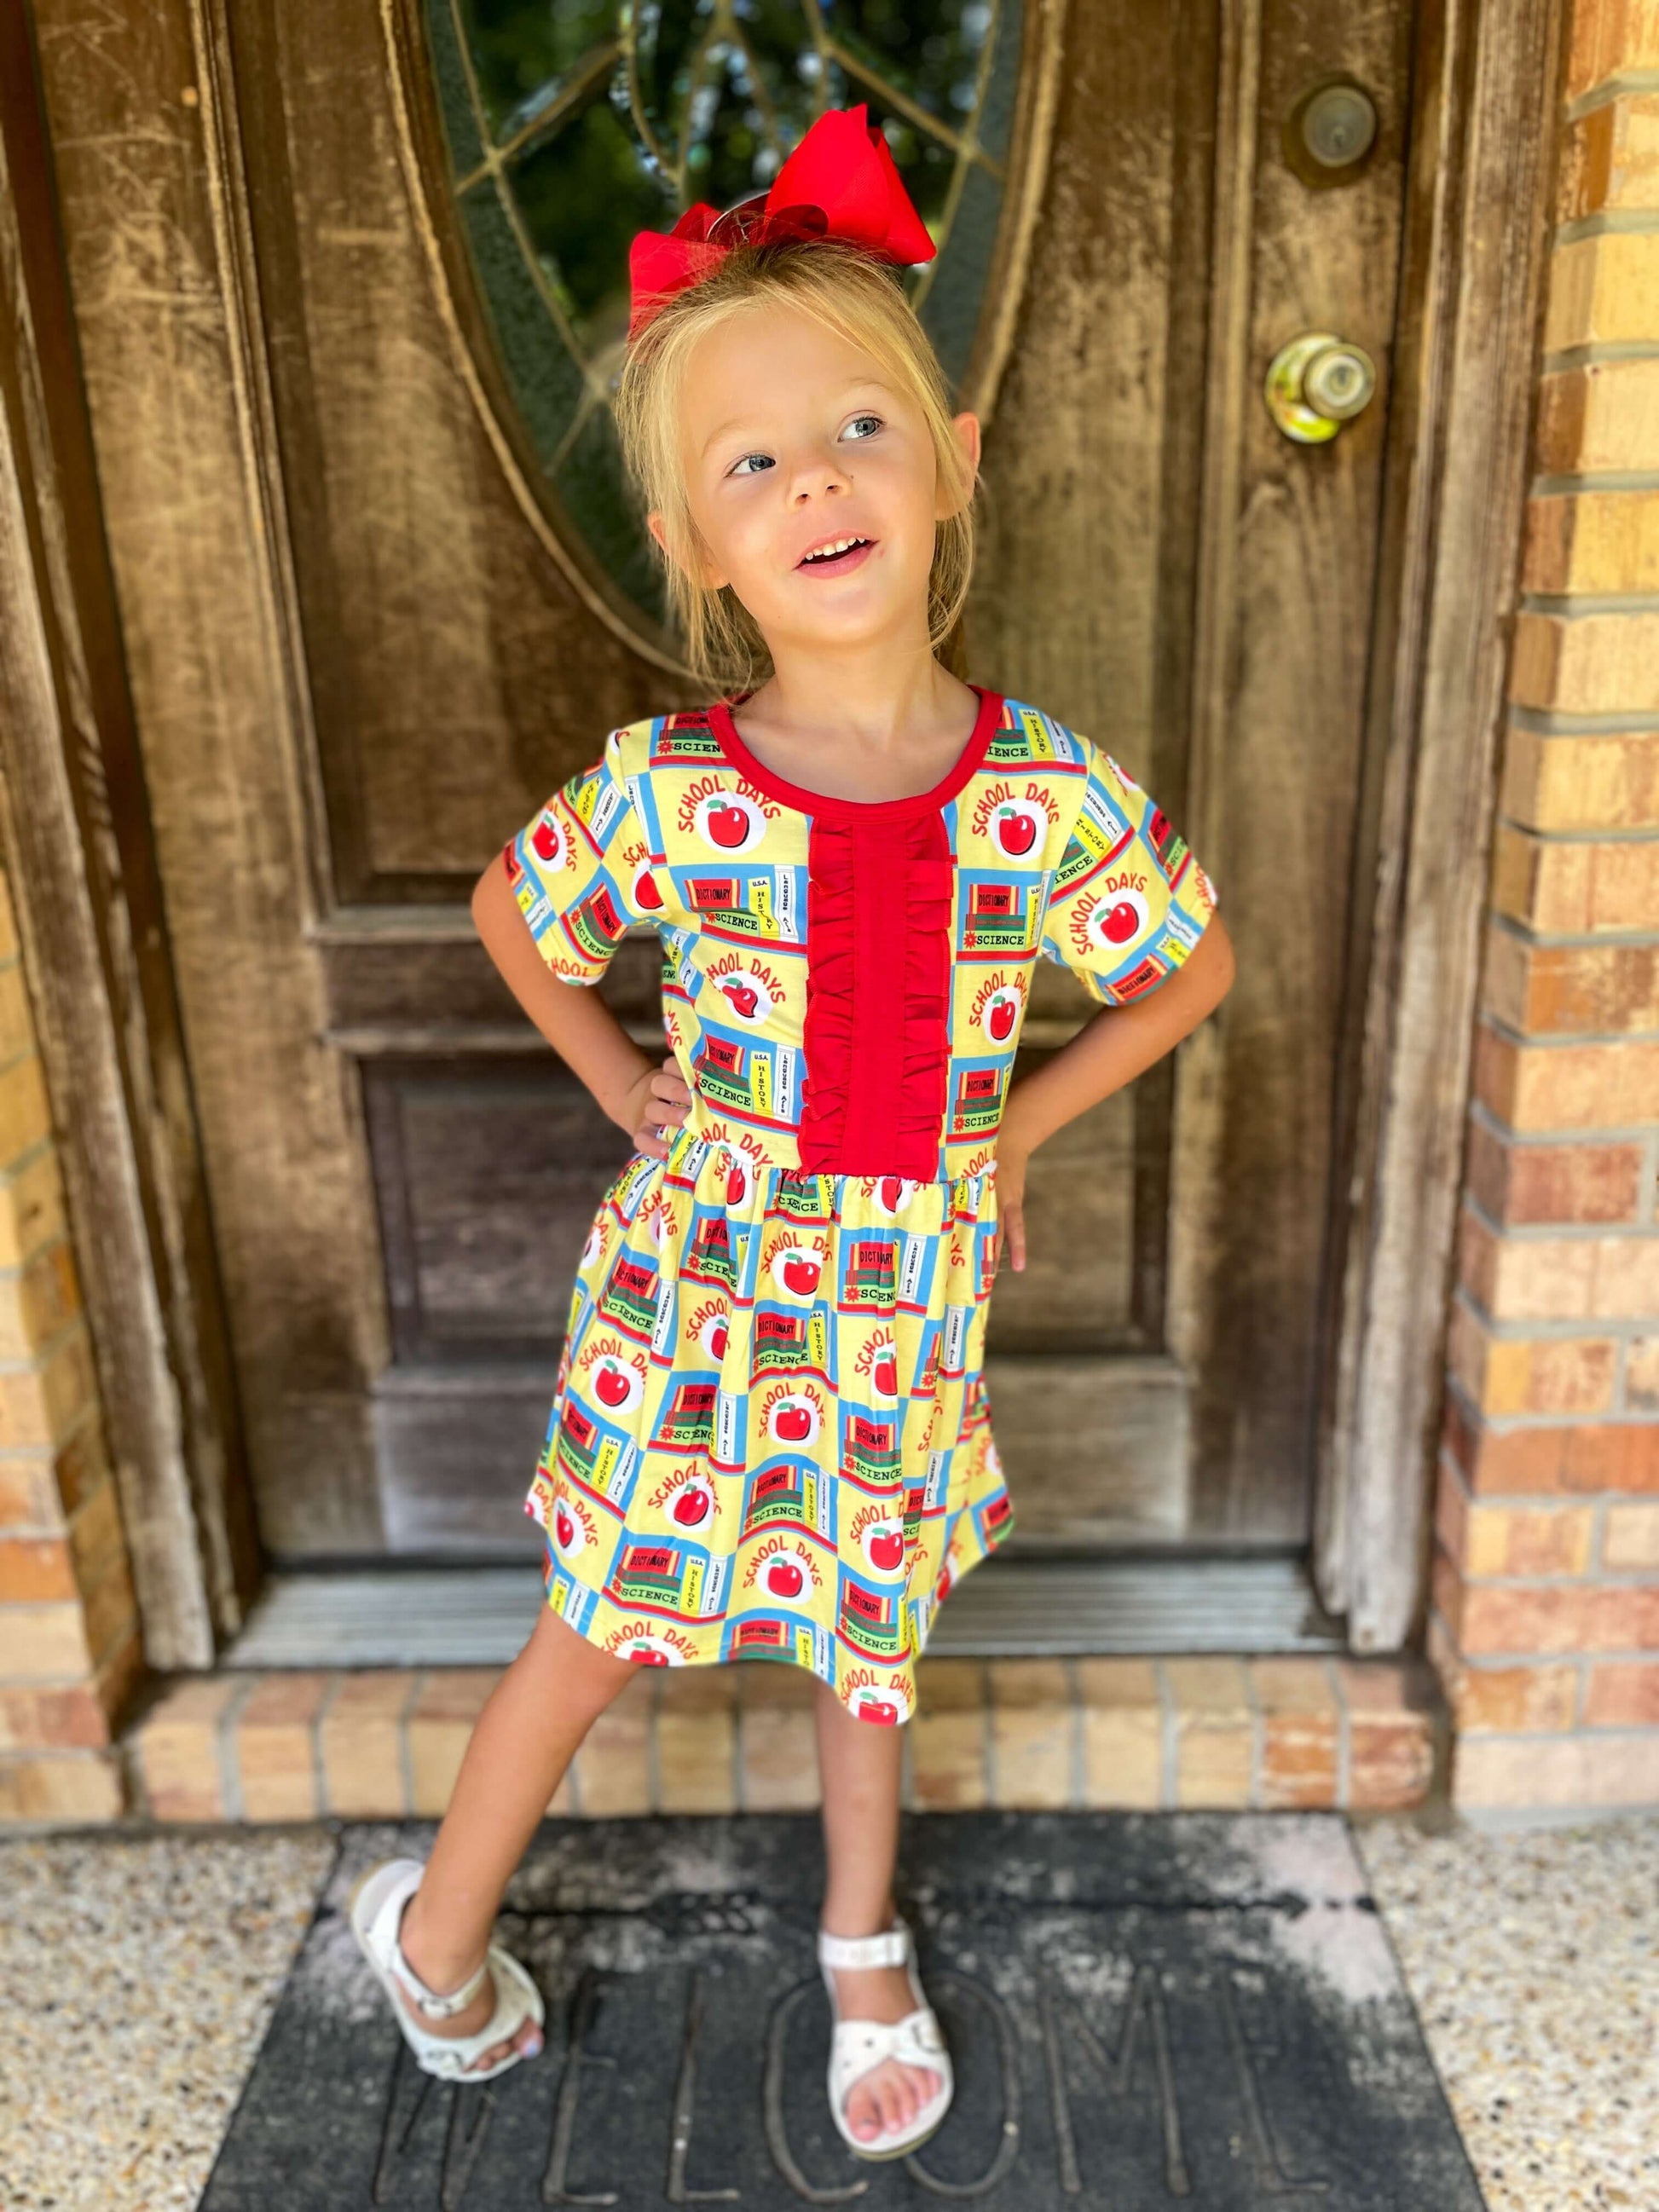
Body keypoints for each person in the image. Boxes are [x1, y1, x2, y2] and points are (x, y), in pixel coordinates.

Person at [350, 104, 1235, 2161]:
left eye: (854, 425)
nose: (812, 479)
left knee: (868, 1634)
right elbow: (514, 910)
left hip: (901, 1295)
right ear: (698, 544)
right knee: (588, 1624)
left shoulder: (1038, 788)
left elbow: (1185, 969)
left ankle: (859, 1941)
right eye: (749, 462)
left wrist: (1014, 1126)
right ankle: (439, 1931)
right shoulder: (674, 784)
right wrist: (615, 1080)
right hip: (699, 1279)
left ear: (953, 461)